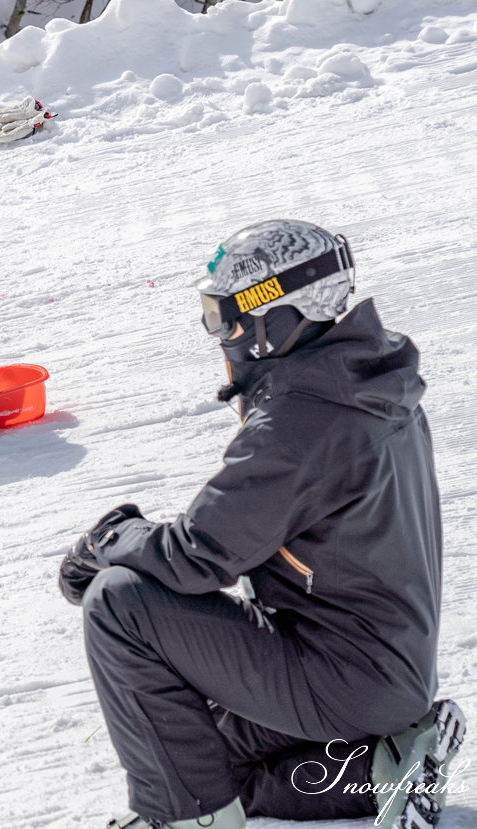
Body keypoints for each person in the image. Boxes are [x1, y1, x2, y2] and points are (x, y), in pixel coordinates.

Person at [57, 220, 465, 829]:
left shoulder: (306, 419)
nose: (221, 335)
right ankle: (385, 766)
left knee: (119, 603)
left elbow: (197, 556)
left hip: (341, 672)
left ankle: (184, 821)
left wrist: (111, 540)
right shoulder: (362, 378)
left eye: (225, 316)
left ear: (275, 313)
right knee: (194, 758)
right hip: (378, 669)